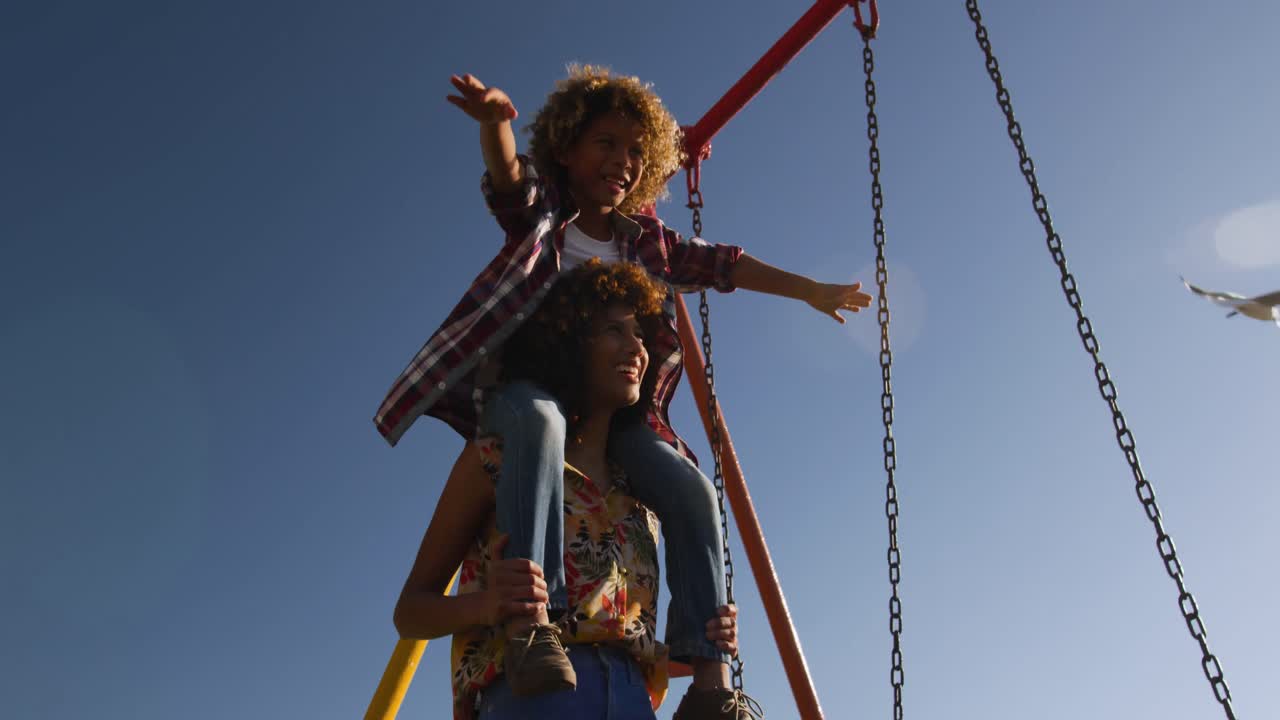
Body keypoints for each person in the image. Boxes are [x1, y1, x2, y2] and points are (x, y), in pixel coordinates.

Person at [375, 65, 872, 717]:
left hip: (623, 672)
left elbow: (722, 263)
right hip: (529, 387)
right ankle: (533, 624)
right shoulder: (546, 216)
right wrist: (496, 127)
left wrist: (808, 289)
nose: (622, 160)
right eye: (605, 142)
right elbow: (510, 182)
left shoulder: (647, 243)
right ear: (565, 147)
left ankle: (710, 681)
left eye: (636, 150)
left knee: (690, 487)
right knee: (541, 423)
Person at [394, 261, 752, 720]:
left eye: (640, 335)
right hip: (528, 697)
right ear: (569, 342)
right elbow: (410, 612)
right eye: (614, 331)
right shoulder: (497, 460)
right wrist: (487, 605)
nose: (636, 348)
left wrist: (708, 638)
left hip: (632, 700)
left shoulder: (642, 496)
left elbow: (625, 638)